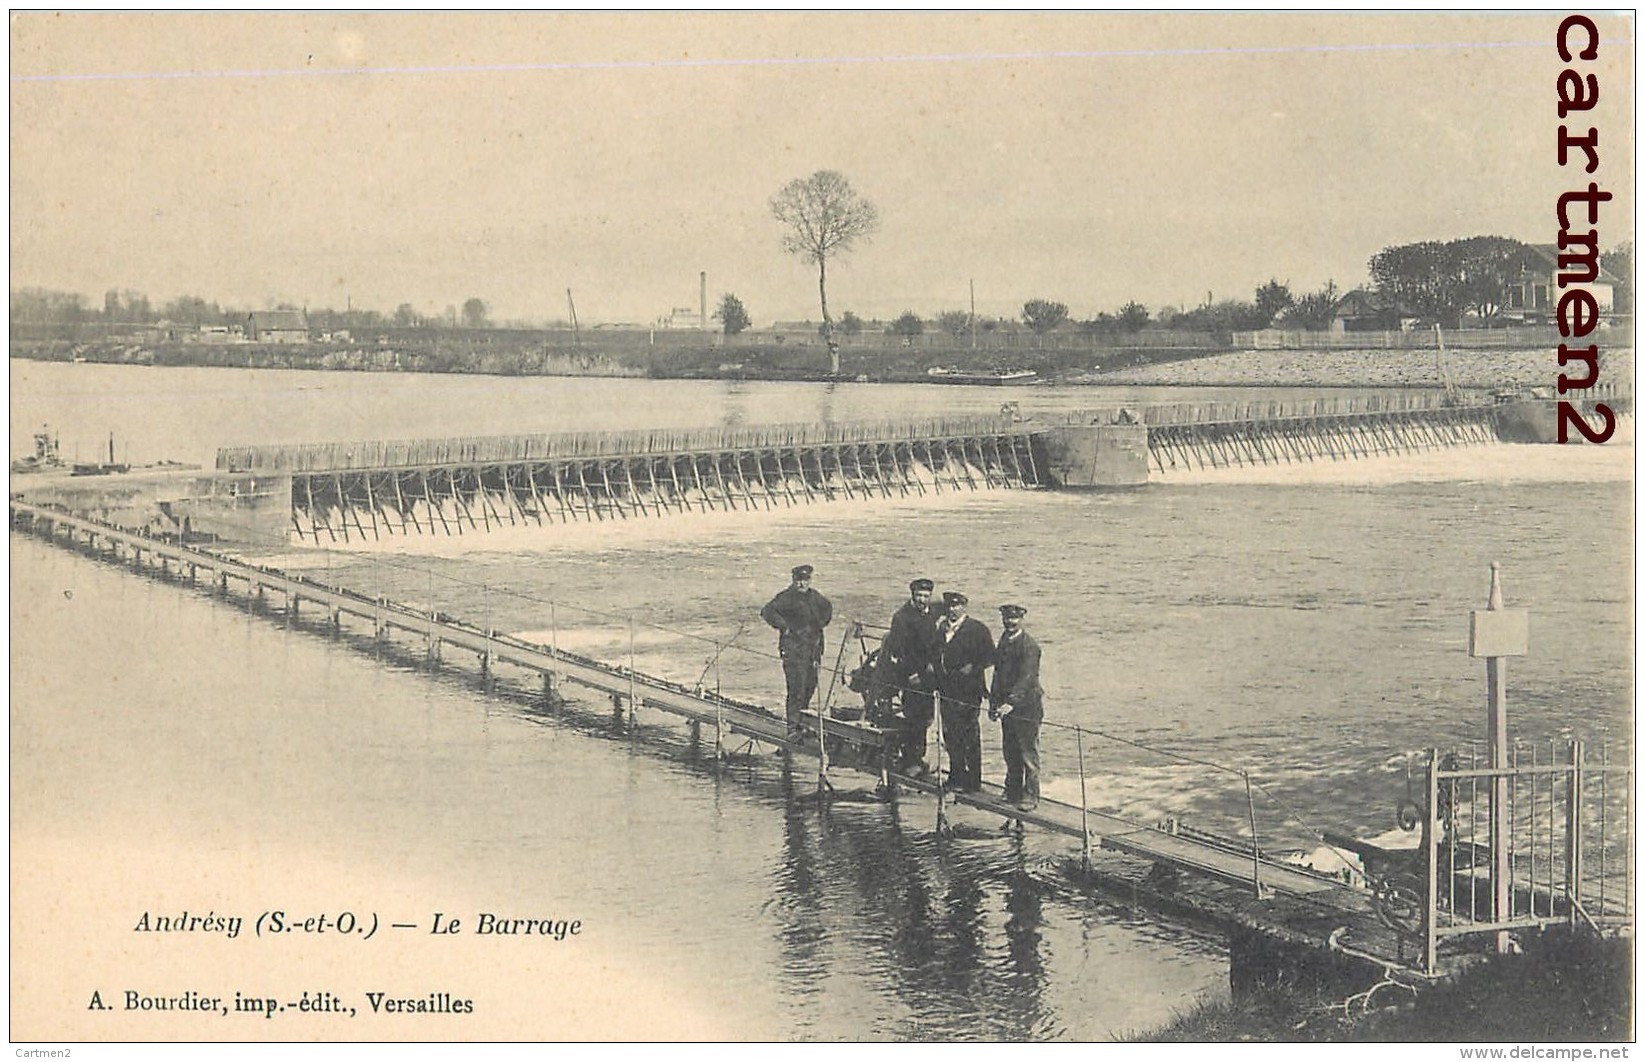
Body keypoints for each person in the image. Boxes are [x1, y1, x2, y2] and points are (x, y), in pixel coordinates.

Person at [760, 564, 833, 743]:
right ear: (793, 580)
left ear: (810, 580)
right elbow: (768, 611)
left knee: (810, 685)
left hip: (813, 649)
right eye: (799, 580)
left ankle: (803, 723)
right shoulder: (786, 597)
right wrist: (784, 627)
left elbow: (828, 609)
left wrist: (821, 624)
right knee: (796, 688)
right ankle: (792, 728)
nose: (802, 583)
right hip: (793, 649)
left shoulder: (815, 597)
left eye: (805, 579)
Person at [880, 577, 942, 777]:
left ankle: (919, 756)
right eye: (919, 595)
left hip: (929, 676)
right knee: (913, 716)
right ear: (912, 595)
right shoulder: (902, 617)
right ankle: (910, 760)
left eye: (926, 596)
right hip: (911, 675)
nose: (922, 599)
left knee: (926, 717)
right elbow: (899, 649)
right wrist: (912, 673)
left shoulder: (932, 612)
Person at [934, 590, 994, 792]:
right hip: (947, 690)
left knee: (968, 734)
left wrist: (973, 667)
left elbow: (991, 656)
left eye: (957, 606)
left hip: (969, 691)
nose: (952, 609)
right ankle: (956, 775)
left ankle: (973, 781)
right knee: (950, 734)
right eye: (950, 606)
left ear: (964, 607)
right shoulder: (942, 628)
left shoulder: (977, 629)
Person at [989, 604, 1044, 812]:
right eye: (1006, 618)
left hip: (1027, 707)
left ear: (1021, 620)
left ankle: (1030, 795)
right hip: (1007, 708)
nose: (1009, 622)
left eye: (1014, 619)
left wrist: (1010, 702)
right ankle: (1012, 792)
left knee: (1027, 753)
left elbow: (1026, 679)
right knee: (1010, 751)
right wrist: (994, 703)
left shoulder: (1029, 646)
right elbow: (998, 674)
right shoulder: (1004, 641)